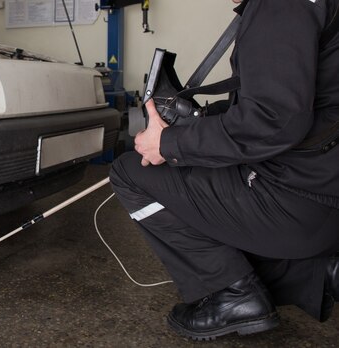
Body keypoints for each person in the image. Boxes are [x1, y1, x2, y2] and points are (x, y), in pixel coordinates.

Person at [109, 0, 339, 341]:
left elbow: (274, 120)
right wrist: (200, 120)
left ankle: (233, 295)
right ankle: (319, 270)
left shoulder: (280, 6)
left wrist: (169, 145)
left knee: (129, 171)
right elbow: (293, 100)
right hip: (323, 189)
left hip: (299, 203)